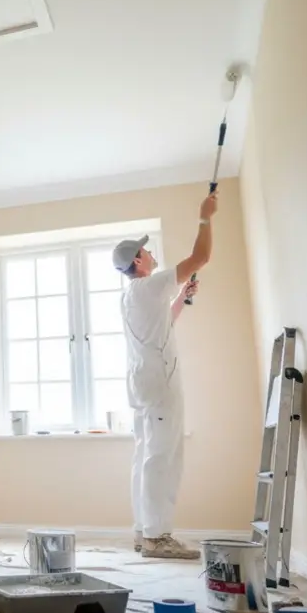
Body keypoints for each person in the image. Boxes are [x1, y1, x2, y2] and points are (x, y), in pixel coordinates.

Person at [112, 191, 218, 560]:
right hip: (159, 384)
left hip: (144, 384)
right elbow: (201, 258)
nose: (152, 253)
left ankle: (145, 533)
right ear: (139, 260)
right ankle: (158, 538)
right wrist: (205, 217)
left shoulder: (133, 295)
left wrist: (182, 299)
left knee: (147, 454)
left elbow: (164, 323)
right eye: (147, 251)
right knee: (163, 456)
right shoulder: (150, 284)